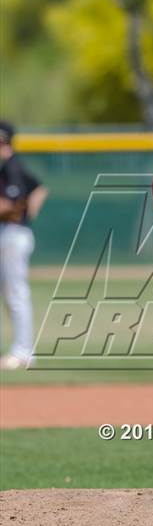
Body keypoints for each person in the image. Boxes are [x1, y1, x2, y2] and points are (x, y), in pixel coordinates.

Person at [0, 120, 48, 370]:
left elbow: (13, 204)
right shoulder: (11, 165)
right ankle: (21, 349)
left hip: (13, 234)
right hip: (11, 233)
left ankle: (23, 351)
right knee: (10, 294)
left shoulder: (11, 166)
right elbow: (39, 188)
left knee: (16, 293)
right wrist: (32, 210)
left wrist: (26, 213)